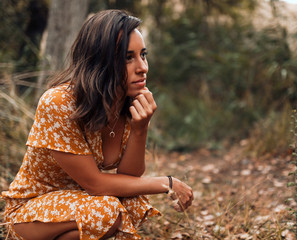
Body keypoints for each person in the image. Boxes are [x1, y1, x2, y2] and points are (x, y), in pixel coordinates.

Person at [1, 9, 193, 240]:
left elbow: (129, 176)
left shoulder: (125, 102)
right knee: (106, 210)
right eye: (127, 57)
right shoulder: (59, 102)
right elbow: (95, 184)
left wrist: (140, 128)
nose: (142, 67)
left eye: (143, 54)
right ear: (99, 60)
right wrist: (167, 183)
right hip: (32, 213)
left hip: (80, 204)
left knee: (131, 201)